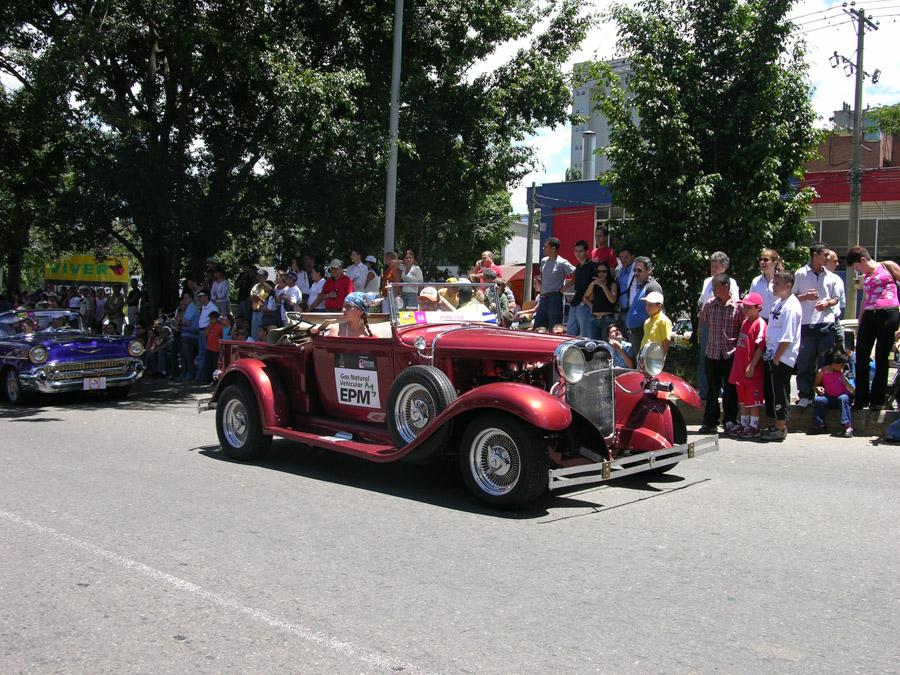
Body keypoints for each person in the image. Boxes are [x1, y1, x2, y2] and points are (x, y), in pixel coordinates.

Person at [845, 246, 900, 410]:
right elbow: (865, 299)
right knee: (861, 355)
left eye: (856, 266)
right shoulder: (865, 276)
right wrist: (860, 321)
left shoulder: (887, 266)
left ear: (862, 260)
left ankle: (877, 400)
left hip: (888, 312)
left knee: (882, 357)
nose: (856, 269)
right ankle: (861, 398)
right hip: (870, 313)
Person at [793, 242, 842, 407]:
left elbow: (836, 298)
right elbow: (791, 298)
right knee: (805, 362)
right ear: (815, 255)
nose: (828, 258)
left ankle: (825, 396)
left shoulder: (831, 276)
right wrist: (805, 297)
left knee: (825, 363)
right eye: (825, 255)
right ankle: (805, 395)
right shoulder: (800, 273)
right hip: (806, 323)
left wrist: (827, 303)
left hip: (826, 323)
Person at [760, 271, 803, 442]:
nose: (773, 286)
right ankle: (777, 422)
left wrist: (777, 357)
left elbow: (788, 336)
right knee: (773, 391)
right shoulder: (780, 303)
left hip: (782, 356)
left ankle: (780, 427)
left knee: (781, 391)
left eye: (777, 283)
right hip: (773, 354)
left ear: (788, 285)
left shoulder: (791, 307)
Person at [698, 274, 742, 435]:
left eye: (716, 286)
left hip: (730, 354)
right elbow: (706, 325)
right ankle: (710, 422)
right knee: (712, 390)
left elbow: (741, 331)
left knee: (731, 390)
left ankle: (730, 421)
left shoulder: (738, 307)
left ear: (725, 287)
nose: (713, 289)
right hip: (712, 353)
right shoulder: (709, 305)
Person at [697, 252, 740, 401]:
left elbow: (733, 303)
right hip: (707, 323)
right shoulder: (707, 281)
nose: (713, 269)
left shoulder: (731, 282)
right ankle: (704, 393)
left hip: (722, 324)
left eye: (716, 266)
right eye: (712, 265)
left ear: (724, 267)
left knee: (723, 359)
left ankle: (722, 392)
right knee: (705, 358)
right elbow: (703, 302)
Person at [728, 292, 767, 438]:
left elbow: (760, 347)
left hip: (752, 370)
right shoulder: (745, 322)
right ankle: (744, 424)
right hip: (740, 368)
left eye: (749, 307)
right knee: (743, 399)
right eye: (744, 306)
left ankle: (754, 426)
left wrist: (752, 365)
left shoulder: (760, 324)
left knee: (753, 400)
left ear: (758, 308)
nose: (745, 310)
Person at [809, 348, 855, 437]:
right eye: (840, 365)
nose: (842, 367)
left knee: (843, 398)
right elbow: (815, 385)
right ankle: (819, 424)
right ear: (833, 363)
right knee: (818, 400)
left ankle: (847, 426)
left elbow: (849, 387)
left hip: (843, 398)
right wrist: (818, 388)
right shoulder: (822, 371)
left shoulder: (842, 373)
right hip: (831, 398)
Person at [534, 237, 575, 330]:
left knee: (554, 328)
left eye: (545, 246)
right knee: (538, 327)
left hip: (555, 298)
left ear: (553, 248)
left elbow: (577, 274)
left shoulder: (562, 262)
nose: (543, 248)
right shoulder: (544, 260)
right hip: (543, 298)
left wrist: (565, 287)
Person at [624, 257, 662, 347]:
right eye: (634, 270)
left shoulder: (652, 287)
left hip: (643, 335)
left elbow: (658, 313)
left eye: (639, 270)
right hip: (636, 335)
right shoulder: (643, 286)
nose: (636, 273)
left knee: (642, 361)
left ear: (649, 270)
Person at [565, 240, 596, 337]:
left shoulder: (593, 266)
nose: (578, 253)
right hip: (575, 303)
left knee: (585, 336)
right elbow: (575, 280)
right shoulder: (578, 266)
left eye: (580, 251)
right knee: (570, 335)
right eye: (576, 251)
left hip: (585, 305)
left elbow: (595, 285)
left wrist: (587, 300)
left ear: (587, 252)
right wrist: (565, 287)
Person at [584, 260, 618, 341]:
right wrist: (591, 305)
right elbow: (585, 297)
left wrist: (603, 286)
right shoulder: (594, 284)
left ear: (608, 272)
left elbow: (613, 300)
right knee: (594, 346)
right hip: (594, 319)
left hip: (607, 319)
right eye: (599, 271)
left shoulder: (612, 284)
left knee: (606, 345)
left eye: (604, 271)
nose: (601, 274)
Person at [749, 248, 782, 322]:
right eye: (760, 259)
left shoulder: (782, 281)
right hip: (760, 321)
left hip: (778, 321)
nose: (762, 262)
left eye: (766, 260)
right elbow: (751, 301)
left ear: (774, 262)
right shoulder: (756, 281)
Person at [195, 290, 219, 383]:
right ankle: (200, 377)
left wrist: (206, 332)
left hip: (207, 332)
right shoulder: (203, 307)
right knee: (201, 355)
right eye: (199, 296)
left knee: (206, 355)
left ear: (207, 296)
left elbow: (213, 321)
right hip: (201, 331)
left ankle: (205, 377)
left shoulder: (213, 307)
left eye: (201, 296)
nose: (200, 298)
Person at [825, 249, 846, 350]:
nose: (837, 264)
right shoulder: (808, 276)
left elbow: (840, 304)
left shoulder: (837, 279)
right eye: (835, 261)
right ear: (826, 261)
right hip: (819, 322)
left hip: (836, 321)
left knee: (840, 350)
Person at [178, 290, 199, 381]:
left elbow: (188, 322)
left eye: (186, 297)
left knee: (187, 356)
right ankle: (185, 374)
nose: (184, 299)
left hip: (190, 337)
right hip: (186, 336)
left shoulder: (191, 307)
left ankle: (190, 374)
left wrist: (179, 322)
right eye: (183, 298)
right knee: (184, 356)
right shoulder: (189, 308)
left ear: (191, 298)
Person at [615, 245, 635, 332]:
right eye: (621, 258)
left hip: (631, 309)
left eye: (626, 257)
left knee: (631, 337)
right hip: (621, 309)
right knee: (622, 338)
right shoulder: (620, 270)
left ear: (633, 257)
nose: (623, 260)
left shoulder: (636, 271)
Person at [203, 311, 224, 383]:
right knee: (208, 365)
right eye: (210, 318)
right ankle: (208, 380)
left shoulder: (220, 327)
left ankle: (215, 381)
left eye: (212, 318)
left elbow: (222, 337)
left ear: (216, 318)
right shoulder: (209, 326)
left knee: (214, 366)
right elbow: (205, 334)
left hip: (216, 350)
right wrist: (209, 326)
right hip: (209, 348)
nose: (210, 319)